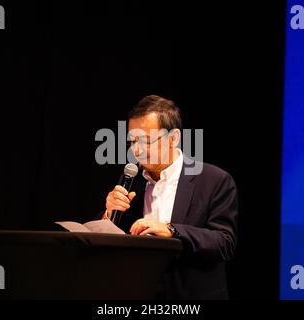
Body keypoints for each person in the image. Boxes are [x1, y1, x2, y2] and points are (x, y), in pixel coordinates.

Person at [100, 95, 238, 299]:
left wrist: (172, 231)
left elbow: (224, 242)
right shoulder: (131, 179)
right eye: (132, 141)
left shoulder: (214, 179)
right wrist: (109, 214)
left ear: (173, 138)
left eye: (146, 141)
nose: (136, 150)